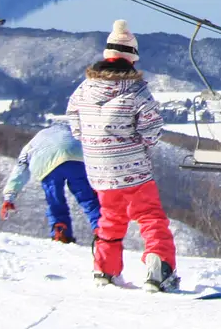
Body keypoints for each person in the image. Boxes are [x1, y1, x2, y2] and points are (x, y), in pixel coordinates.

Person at [66, 19, 180, 292]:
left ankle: (104, 269)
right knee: (150, 216)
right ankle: (159, 269)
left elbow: (75, 123)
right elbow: (151, 129)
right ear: (132, 58)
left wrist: (95, 143)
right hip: (134, 169)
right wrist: (138, 145)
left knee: (111, 216)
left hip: (99, 170)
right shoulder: (136, 90)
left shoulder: (84, 88)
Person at [0, 120, 102, 244]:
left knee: (54, 201)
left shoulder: (35, 140)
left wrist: (9, 196)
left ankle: (60, 232)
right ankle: (100, 230)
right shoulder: (74, 132)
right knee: (88, 199)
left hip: (46, 163)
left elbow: (21, 167)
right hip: (76, 155)